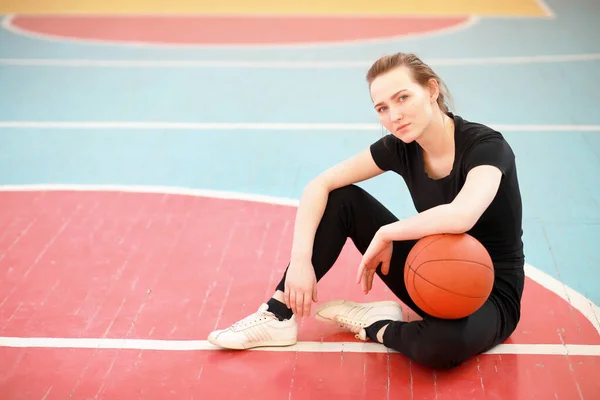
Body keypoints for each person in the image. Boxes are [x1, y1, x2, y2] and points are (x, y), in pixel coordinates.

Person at [207, 52, 525, 370]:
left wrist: (387, 232)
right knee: (342, 198)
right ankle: (278, 314)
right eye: (382, 108)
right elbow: (318, 185)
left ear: (431, 90)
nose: (394, 115)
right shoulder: (401, 147)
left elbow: (462, 215)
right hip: (431, 273)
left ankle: (376, 325)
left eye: (403, 98)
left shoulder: (486, 147)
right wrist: (300, 264)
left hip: (491, 293)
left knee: (442, 346)